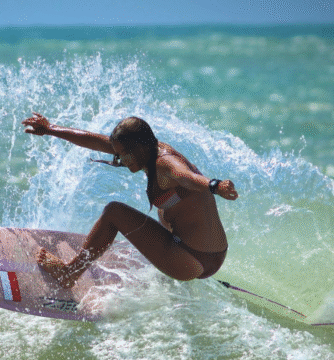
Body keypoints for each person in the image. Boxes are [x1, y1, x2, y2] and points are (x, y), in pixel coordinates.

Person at [22, 112, 239, 288]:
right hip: (213, 258)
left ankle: (69, 273)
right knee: (165, 209)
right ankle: (177, 267)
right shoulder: (146, 149)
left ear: (139, 148)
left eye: (124, 155)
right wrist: (50, 129)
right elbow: (94, 141)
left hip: (189, 259)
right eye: (117, 154)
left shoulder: (165, 163)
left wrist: (214, 185)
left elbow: (186, 177)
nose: (120, 160)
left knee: (114, 212)